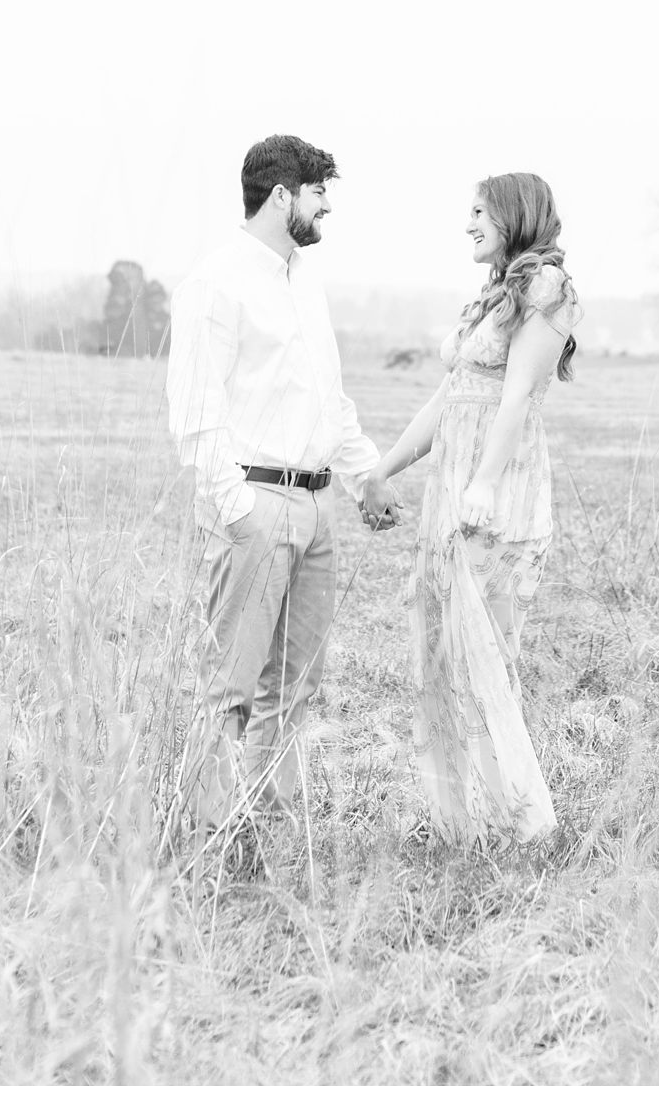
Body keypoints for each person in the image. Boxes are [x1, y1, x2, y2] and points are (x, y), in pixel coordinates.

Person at [165, 133, 395, 844]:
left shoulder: (305, 282)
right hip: (256, 505)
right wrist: (239, 514)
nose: (326, 206)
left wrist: (365, 480)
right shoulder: (216, 283)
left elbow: (329, 399)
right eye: (318, 192)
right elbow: (194, 417)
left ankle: (269, 822)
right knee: (228, 688)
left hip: (320, 506)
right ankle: (203, 827)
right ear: (281, 195)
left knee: (295, 688)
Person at [362, 172, 579, 846]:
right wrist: (382, 467)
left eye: (479, 211)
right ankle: (464, 824)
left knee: (481, 657)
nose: (468, 224)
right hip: (448, 495)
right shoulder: (493, 297)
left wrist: (483, 486)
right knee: (442, 659)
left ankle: (523, 825)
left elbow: (514, 399)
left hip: (496, 497)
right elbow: (447, 400)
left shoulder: (548, 290)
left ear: (513, 215)